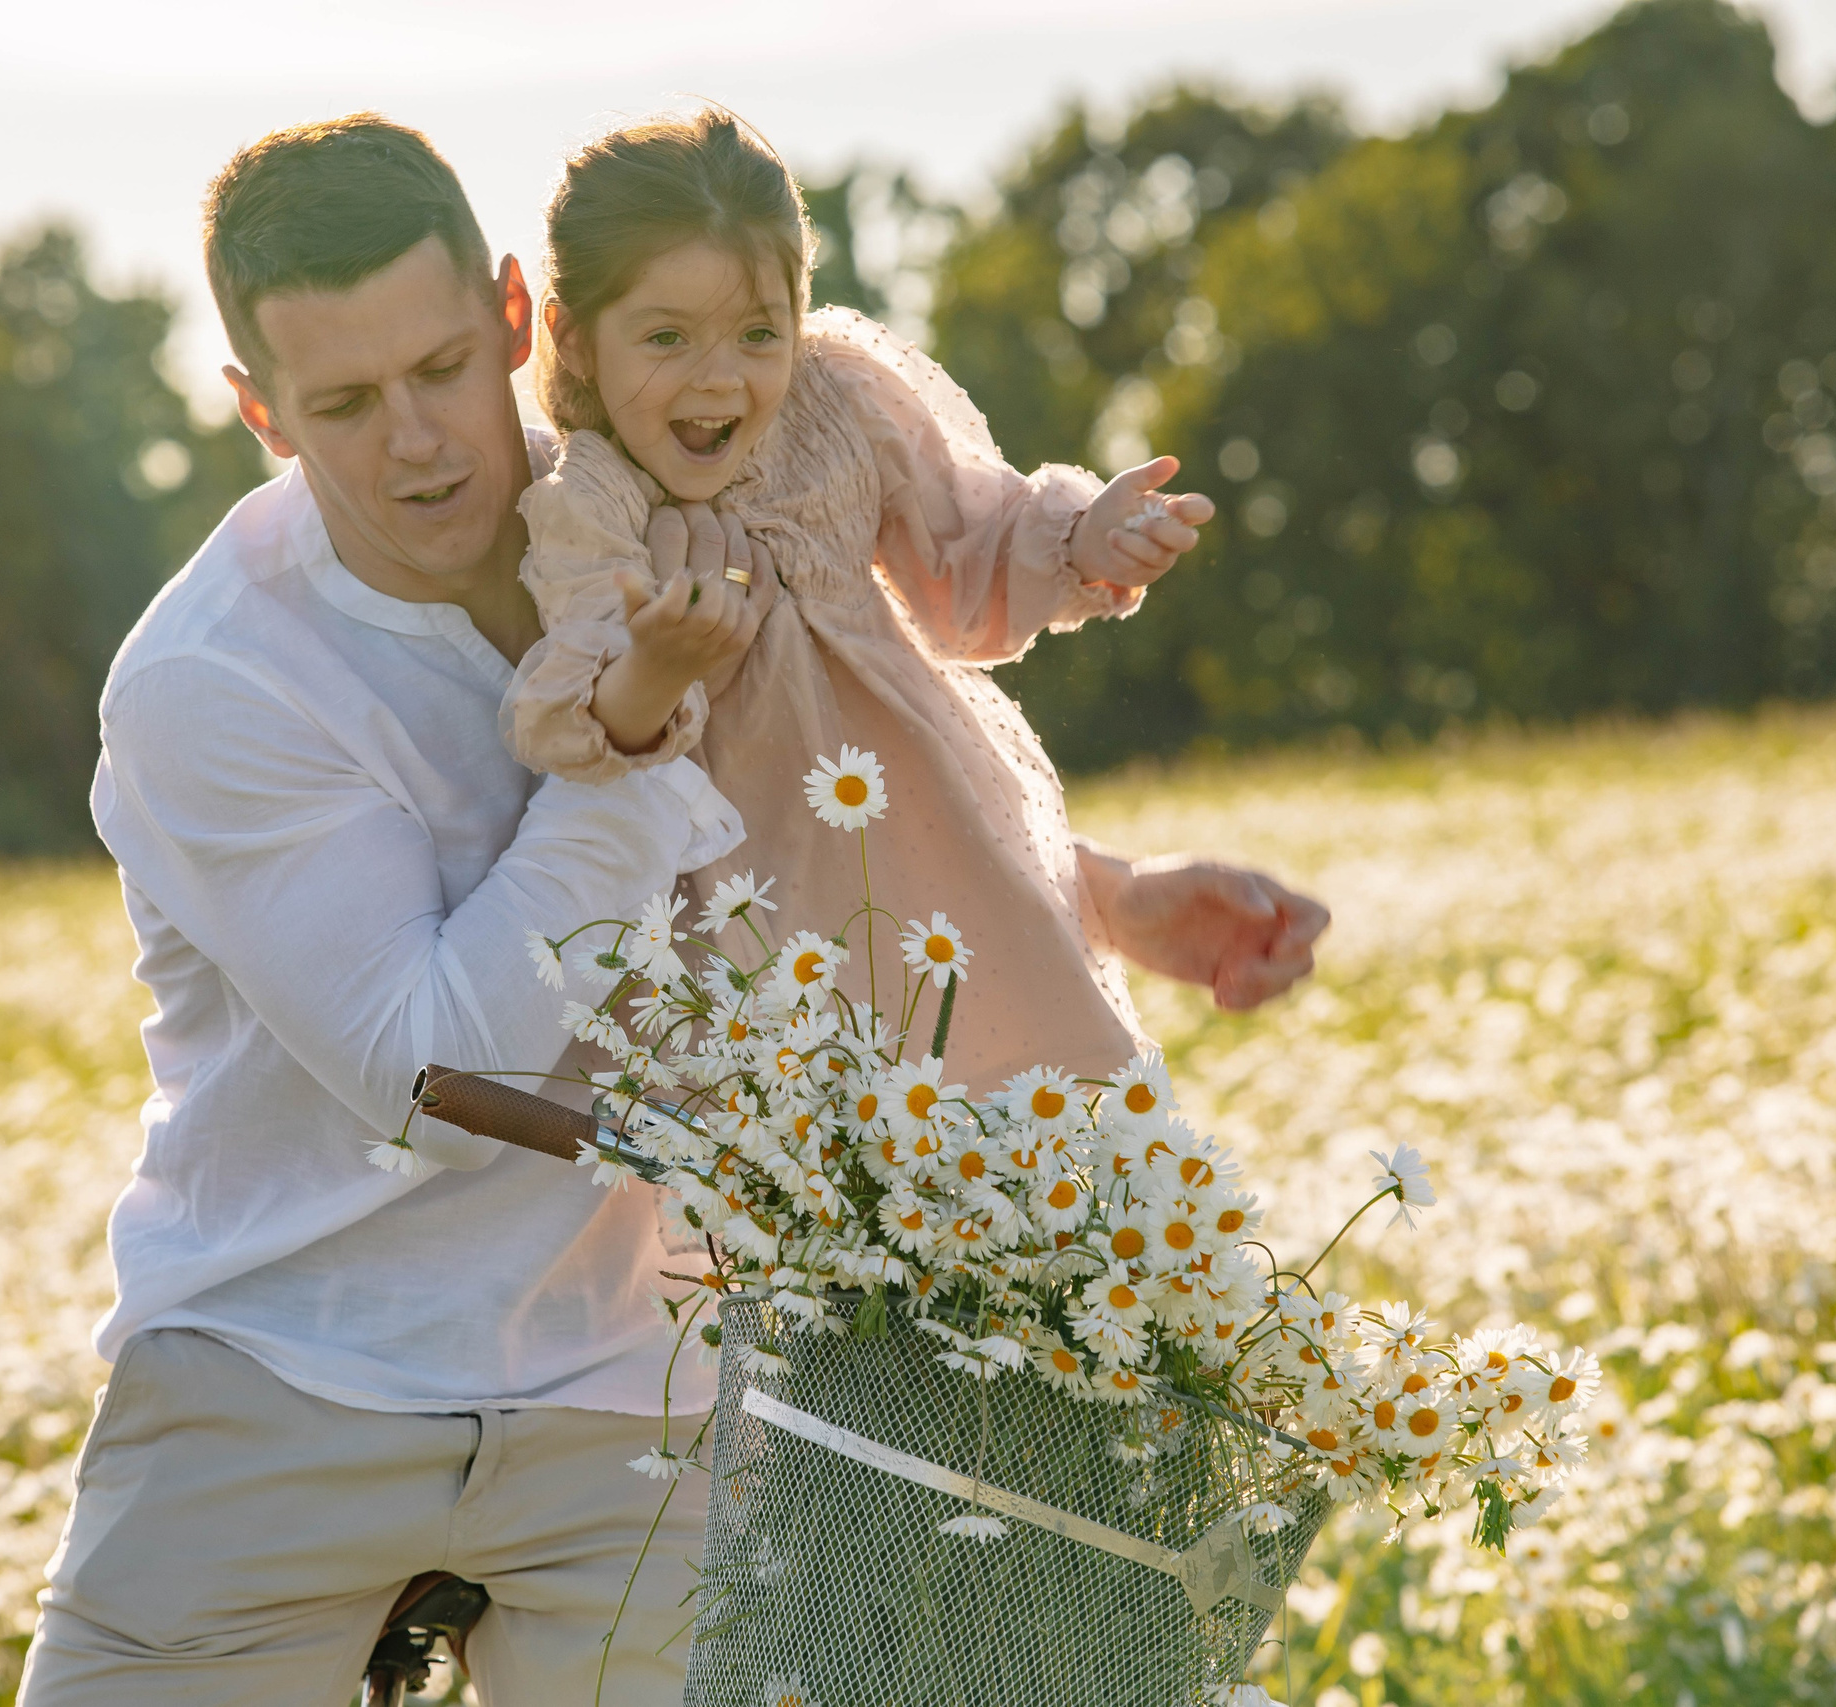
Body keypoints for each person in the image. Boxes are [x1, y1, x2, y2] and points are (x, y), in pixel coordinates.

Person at [19, 113, 1326, 1707]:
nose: (419, 443)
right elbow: (432, 1082)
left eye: (442, 368)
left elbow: (801, 814)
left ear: (518, 316)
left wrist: (1109, 897)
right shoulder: (216, 681)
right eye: (344, 404)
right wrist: (638, 734)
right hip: (288, 1369)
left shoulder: (662, 479)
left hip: (628, 1383)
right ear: (259, 410)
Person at [503, 110, 1269, 1090]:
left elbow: (965, 553)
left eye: (757, 333)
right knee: (818, 1160)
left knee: (1015, 1117)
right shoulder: (591, 504)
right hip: (743, 928)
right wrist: (658, 667)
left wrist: (1087, 536)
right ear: (572, 337)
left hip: (926, 853)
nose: (719, 377)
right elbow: (572, 719)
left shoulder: (837, 400)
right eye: (665, 337)